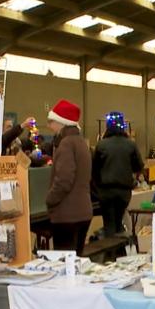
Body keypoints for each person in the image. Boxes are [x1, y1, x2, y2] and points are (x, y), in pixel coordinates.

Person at [46, 99, 93, 254]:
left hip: (67, 215)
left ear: (61, 122)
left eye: (51, 121)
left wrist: (50, 200)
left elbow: (64, 181)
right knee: (76, 262)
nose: (49, 126)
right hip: (83, 212)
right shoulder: (81, 142)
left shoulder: (66, 144)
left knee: (65, 264)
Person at [93, 112, 143, 237]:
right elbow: (139, 166)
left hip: (106, 192)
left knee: (109, 224)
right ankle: (120, 250)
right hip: (124, 192)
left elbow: (94, 169)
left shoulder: (101, 145)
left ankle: (111, 252)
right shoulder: (131, 144)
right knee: (119, 222)